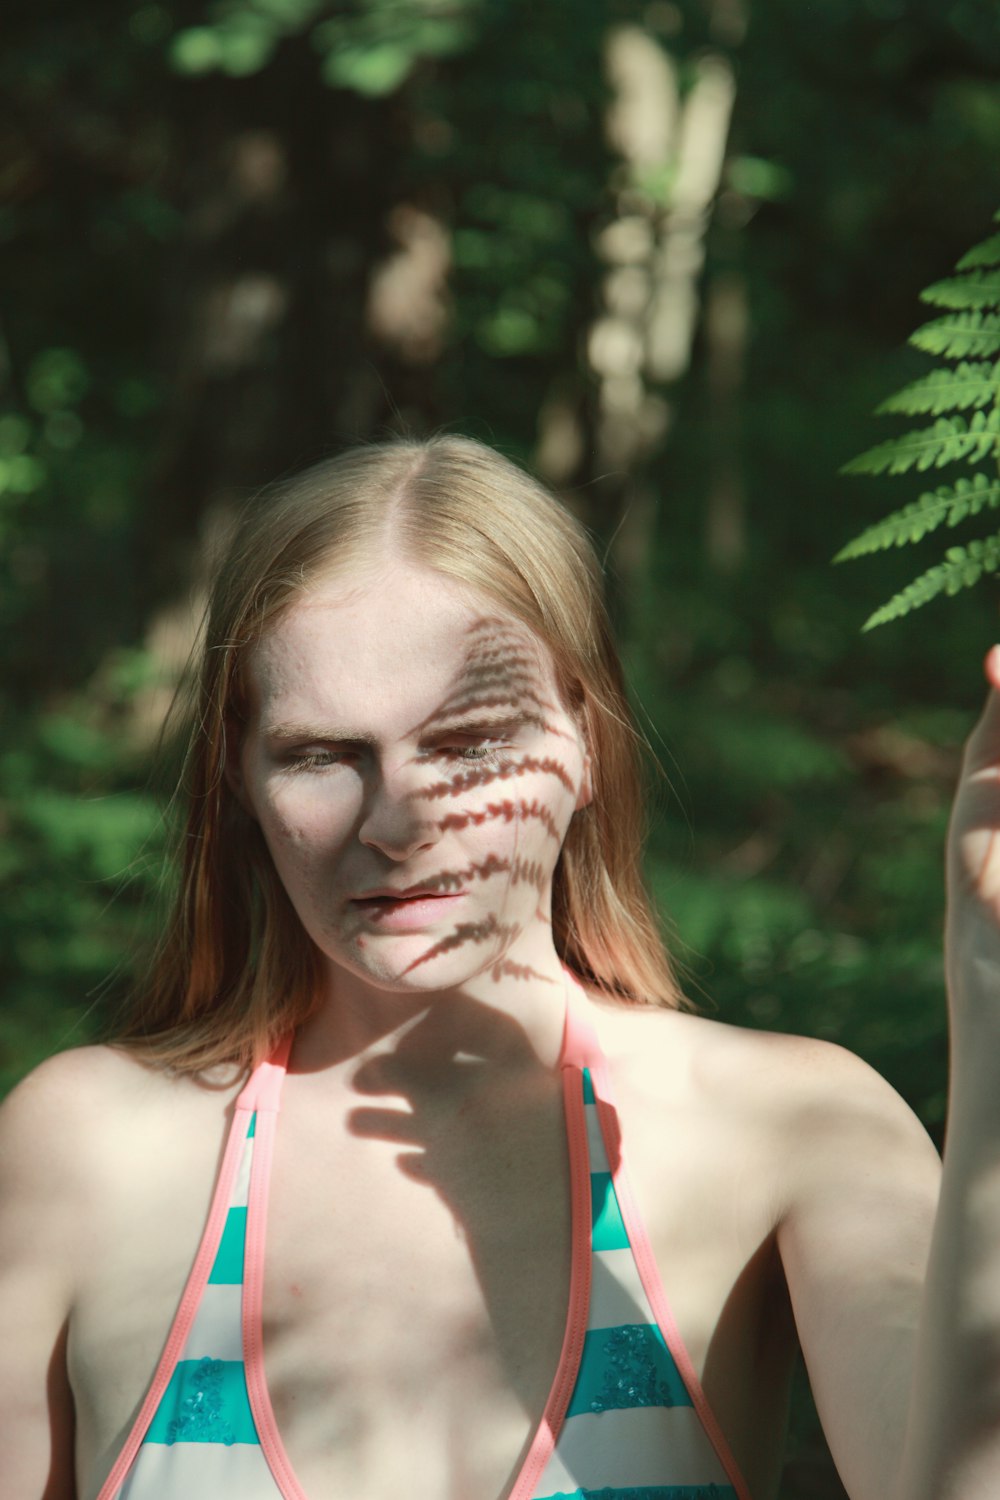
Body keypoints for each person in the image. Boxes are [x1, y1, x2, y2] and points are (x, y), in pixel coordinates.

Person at [1, 433, 999, 1500]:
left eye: (468, 743)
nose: (396, 822)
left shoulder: (789, 1128)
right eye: (321, 755)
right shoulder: (88, 1149)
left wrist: (987, 997)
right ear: (240, 774)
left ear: (586, 737)